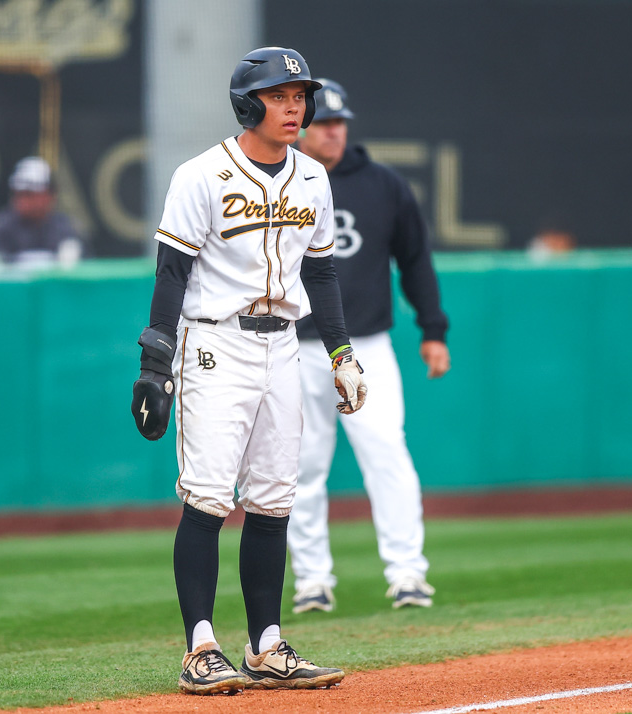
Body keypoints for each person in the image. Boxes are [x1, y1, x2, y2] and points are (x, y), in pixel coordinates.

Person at [130, 47, 367, 696]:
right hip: (215, 343)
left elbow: (321, 272)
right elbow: (172, 272)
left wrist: (341, 353)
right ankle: (200, 648)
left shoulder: (312, 177)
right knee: (208, 497)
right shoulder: (201, 175)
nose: (294, 107)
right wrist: (156, 361)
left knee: (274, 499)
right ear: (247, 104)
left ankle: (266, 646)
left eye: (300, 96)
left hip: (283, 346)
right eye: (278, 96)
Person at [289, 79, 450, 614]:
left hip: (367, 346)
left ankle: (407, 573)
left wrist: (433, 330)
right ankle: (312, 580)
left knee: (386, 453)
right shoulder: (280, 181)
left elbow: (416, 260)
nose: (333, 131)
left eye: (339, 122)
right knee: (301, 466)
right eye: (323, 122)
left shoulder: (382, 184)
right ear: (302, 128)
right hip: (296, 347)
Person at [0, 156, 84, 268]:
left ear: (50, 195)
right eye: (18, 194)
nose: (22, 200)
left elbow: (82, 269)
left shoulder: (68, 228)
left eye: (29, 194)